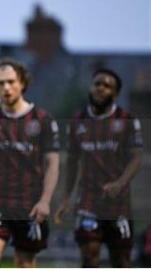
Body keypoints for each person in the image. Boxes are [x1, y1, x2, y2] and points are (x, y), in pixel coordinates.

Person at [0, 57, 60, 268]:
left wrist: (46, 201)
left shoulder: (43, 119)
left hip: (30, 205)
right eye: (1, 83)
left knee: (24, 264)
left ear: (22, 83)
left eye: (11, 81)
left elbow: (53, 164)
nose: (6, 88)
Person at [54, 68, 143, 267]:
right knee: (89, 255)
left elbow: (137, 158)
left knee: (121, 260)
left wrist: (120, 184)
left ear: (116, 94)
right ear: (90, 88)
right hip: (87, 202)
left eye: (107, 86)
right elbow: (71, 162)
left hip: (119, 204)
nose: (101, 88)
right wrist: (66, 198)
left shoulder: (127, 120)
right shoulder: (77, 121)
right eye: (97, 84)